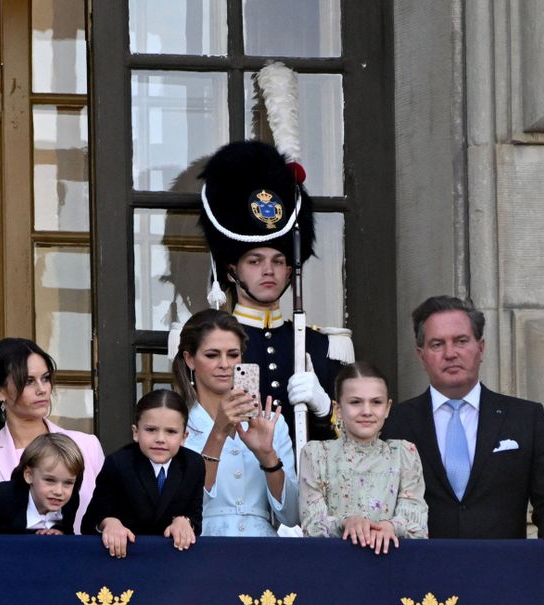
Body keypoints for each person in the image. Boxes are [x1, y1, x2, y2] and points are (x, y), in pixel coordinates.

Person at [382, 295, 544, 539]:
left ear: (481, 348)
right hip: (418, 570)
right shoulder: (394, 423)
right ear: (421, 355)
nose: (450, 353)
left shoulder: (526, 418)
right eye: (437, 344)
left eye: (461, 341)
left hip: (504, 571)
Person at [197, 140, 350, 444]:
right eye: (255, 261)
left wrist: (326, 410)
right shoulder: (208, 343)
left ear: (290, 270)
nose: (269, 271)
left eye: (278, 261)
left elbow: (355, 439)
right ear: (231, 270)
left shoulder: (323, 345)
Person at [174, 309, 298, 536]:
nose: (225, 364)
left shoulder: (271, 422)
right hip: (201, 549)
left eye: (233, 354)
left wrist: (268, 456)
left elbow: (291, 516)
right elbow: (181, 508)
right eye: (212, 355)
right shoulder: (176, 423)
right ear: (190, 359)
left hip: (261, 552)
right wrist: (218, 433)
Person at [0, 338, 104, 534]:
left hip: (82, 561)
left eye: (46, 378)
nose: (42, 389)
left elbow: (108, 510)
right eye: (28, 381)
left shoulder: (87, 445)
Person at [300, 362, 428, 553]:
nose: (366, 411)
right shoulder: (316, 454)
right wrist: (346, 523)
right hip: (332, 565)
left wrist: (391, 527)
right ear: (338, 409)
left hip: (391, 563)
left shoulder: (403, 453)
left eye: (376, 402)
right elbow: (311, 524)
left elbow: (417, 522)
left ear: (387, 407)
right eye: (355, 402)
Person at [82, 389, 205, 557]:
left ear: (184, 437)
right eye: (151, 429)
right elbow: (90, 520)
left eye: (171, 432)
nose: (160, 438)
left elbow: (195, 516)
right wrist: (109, 523)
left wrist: (185, 521)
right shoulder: (118, 463)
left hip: (173, 559)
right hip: (124, 558)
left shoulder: (194, 465)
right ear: (135, 432)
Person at [0, 433, 84, 535]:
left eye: (68, 483)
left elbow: (67, 532)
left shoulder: (70, 501)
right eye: (50, 480)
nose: (59, 492)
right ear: (29, 475)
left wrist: (60, 534)